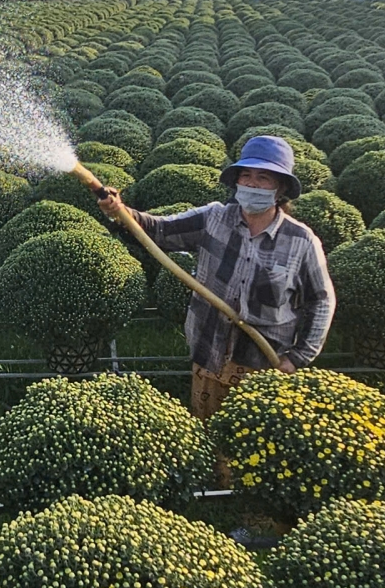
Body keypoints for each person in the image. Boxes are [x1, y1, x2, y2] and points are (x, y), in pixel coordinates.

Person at [96, 135, 334, 419]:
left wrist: (297, 357)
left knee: (252, 445)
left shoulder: (301, 241)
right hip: (210, 355)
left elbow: (321, 301)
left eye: (263, 177)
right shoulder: (214, 219)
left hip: (264, 365)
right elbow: (158, 230)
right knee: (208, 433)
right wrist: (119, 211)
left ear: (280, 188)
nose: (252, 184)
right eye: (246, 175)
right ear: (236, 181)